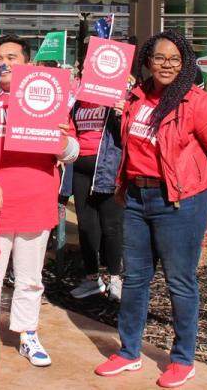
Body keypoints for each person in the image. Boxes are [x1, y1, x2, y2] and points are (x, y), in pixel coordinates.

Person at [93, 29, 207, 388]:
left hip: (181, 201)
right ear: (147, 61)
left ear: (185, 63)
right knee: (136, 278)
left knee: (180, 281)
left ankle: (183, 359)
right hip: (139, 200)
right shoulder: (136, 99)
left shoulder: (197, 103)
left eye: (175, 59)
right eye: (159, 58)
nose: (167, 65)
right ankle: (129, 352)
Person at [0, 35, 79, 370]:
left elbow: (72, 153)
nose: (4, 62)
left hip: (35, 204)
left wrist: (61, 138)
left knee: (29, 278)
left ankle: (27, 334)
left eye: (12, 56)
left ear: (28, 64)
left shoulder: (49, 101)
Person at [68, 96, 124, 300]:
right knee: (86, 225)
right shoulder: (78, 102)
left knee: (111, 226)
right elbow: (71, 129)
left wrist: (122, 114)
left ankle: (115, 279)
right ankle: (92, 279)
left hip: (107, 168)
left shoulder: (115, 100)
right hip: (80, 169)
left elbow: (126, 134)